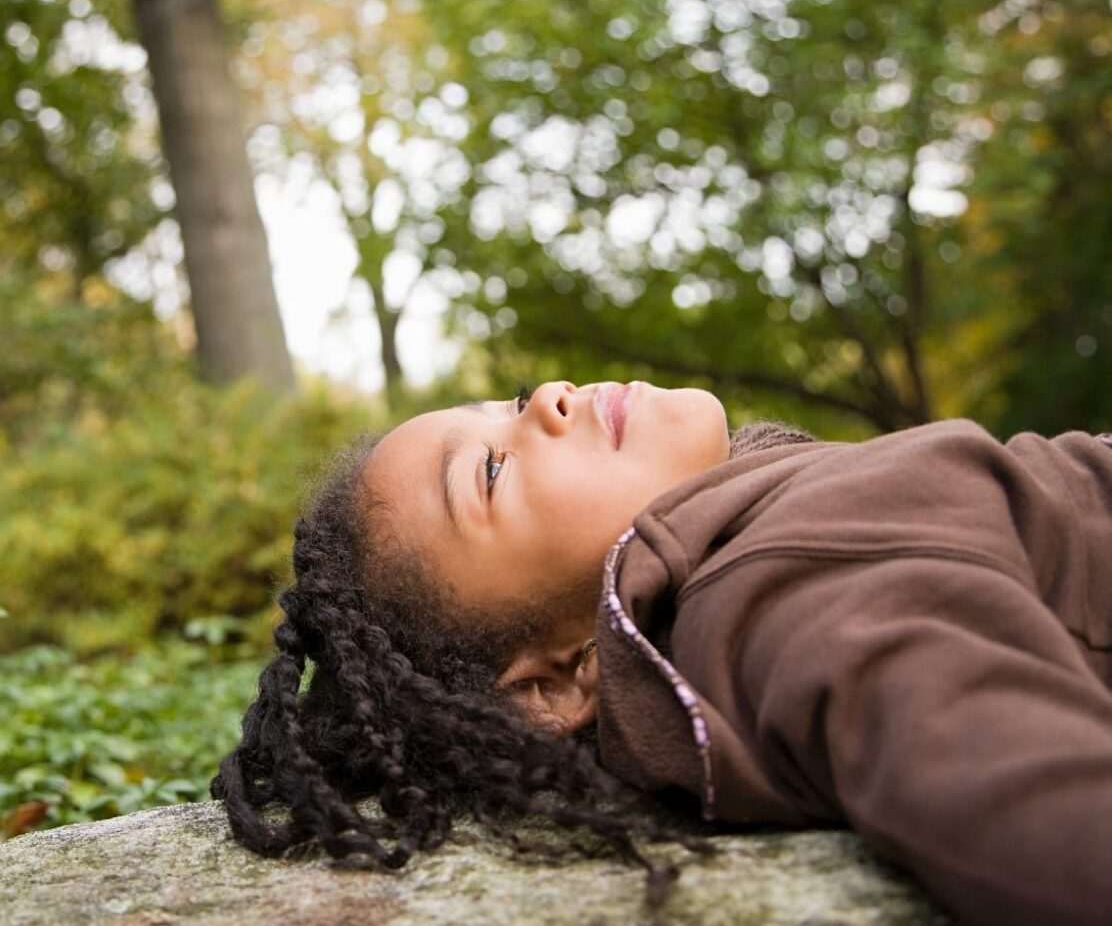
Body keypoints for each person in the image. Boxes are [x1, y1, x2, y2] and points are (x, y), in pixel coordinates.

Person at [211, 380, 1112, 926]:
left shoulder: (746, 527)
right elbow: (1032, 810)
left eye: (511, 402)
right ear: (552, 683)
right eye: (489, 469)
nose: (546, 401)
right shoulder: (784, 585)